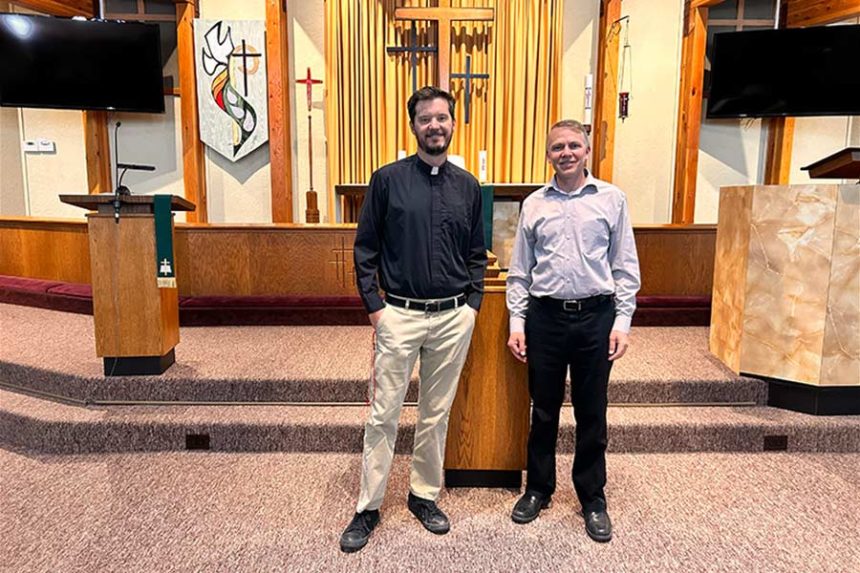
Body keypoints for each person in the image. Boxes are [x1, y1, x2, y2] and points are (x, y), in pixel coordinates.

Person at [339, 86, 487, 553]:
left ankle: (424, 495)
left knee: (435, 413)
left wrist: (473, 304)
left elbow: (476, 253)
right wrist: (375, 307)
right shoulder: (386, 181)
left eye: (442, 117)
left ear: (453, 123)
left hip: (452, 317)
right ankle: (368, 506)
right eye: (426, 119)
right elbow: (366, 250)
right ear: (413, 125)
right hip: (398, 315)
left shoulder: (467, 186)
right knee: (383, 414)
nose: (435, 126)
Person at [505, 119, 640, 543]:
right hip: (545, 318)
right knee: (543, 410)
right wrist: (517, 321)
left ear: (586, 150)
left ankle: (592, 497)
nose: (566, 153)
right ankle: (539, 489)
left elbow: (625, 268)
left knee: (591, 411)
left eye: (573, 146)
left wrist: (621, 321)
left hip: (595, 318)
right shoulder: (534, 204)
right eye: (557, 147)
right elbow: (519, 273)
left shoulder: (611, 199)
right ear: (548, 154)